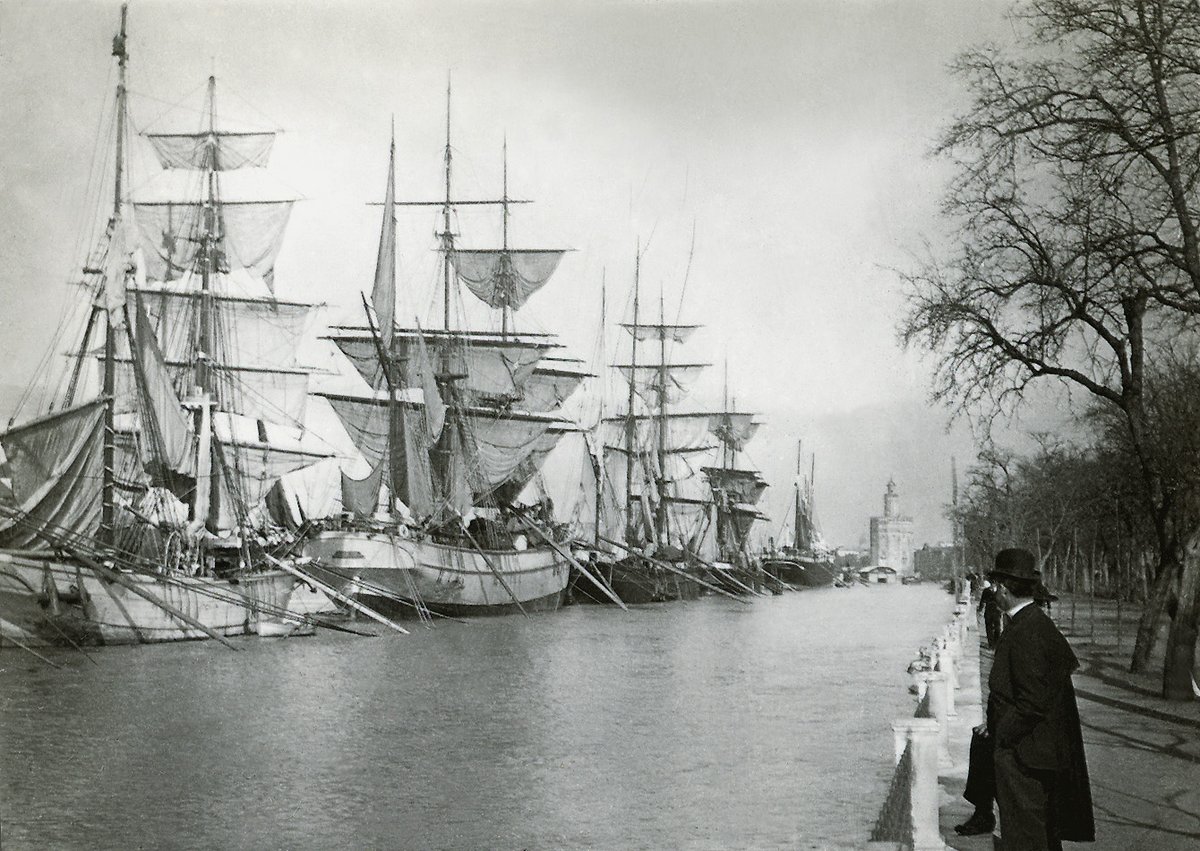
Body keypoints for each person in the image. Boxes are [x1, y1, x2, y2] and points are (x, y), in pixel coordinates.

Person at [987, 548, 1094, 849]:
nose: (993, 591)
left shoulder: (1025, 631)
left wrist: (1002, 736)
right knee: (1040, 834)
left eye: (995, 586)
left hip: (1024, 754)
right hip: (1039, 751)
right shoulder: (1033, 623)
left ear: (1004, 589)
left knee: (1025, 836)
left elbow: (1032, 701)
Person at [978, 578, 1002, 648]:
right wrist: (980, 609)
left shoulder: (1000, 591)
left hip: (997, 611)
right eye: (992, 583)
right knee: (989, 627)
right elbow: (982, 600)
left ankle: (996, 643)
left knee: (997, 628)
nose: (993, 584)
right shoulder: (986, 591)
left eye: (995, 583)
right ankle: (991, 644)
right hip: (989, 610)